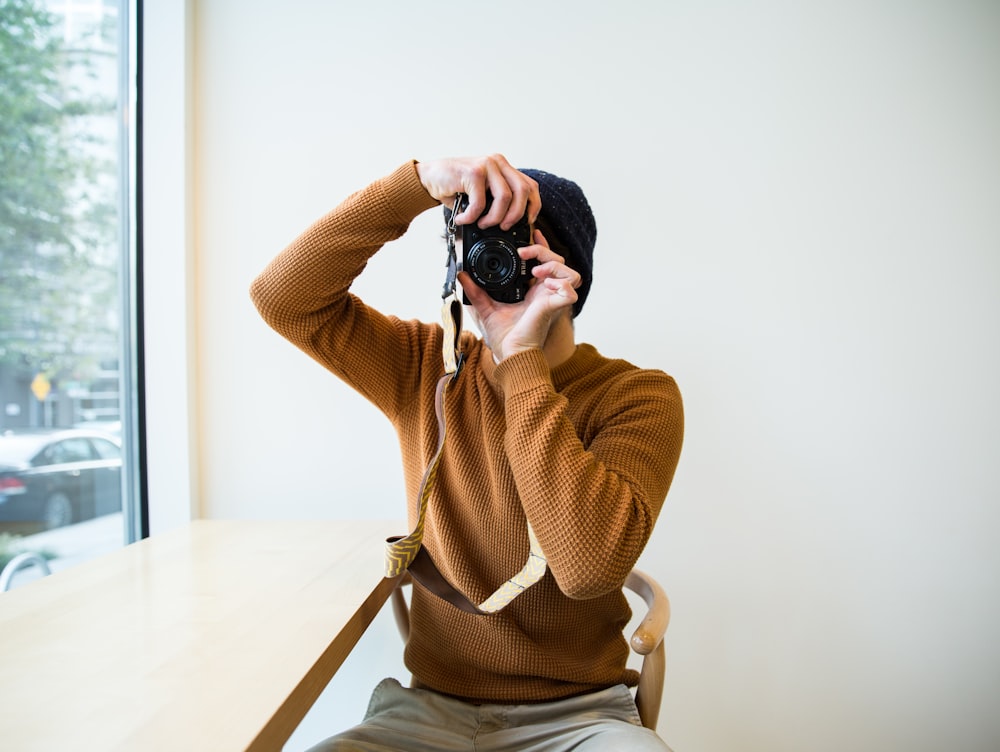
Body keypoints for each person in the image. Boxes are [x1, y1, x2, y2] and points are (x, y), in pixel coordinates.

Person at [250, 154, 684, 751]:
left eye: (514, 243)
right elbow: (282, 298)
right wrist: (417, 186)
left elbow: (588, 571)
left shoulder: (637, 395)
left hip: (579, 718)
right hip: (429, 711)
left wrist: (521, 358)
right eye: (476, 241)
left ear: (565, 269)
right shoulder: (422, 366)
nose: (493, 262)